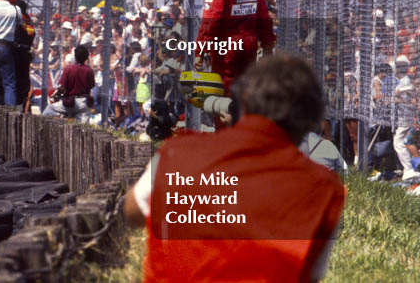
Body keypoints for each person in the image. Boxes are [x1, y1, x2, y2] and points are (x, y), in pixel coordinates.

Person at [124, 55, 345, 283]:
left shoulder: (178, 152)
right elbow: (309, 275)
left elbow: (133, 210)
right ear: (309, 122)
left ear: (241, 103)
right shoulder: (324, 188)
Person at [42, 45, 94, 123]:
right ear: (86, 58)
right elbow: (90, 87)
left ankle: (61, 124)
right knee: (83, 129)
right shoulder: (89, 71)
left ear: (75, 57)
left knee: (48, 111)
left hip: (70, 102)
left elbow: (62, 87)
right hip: (83, 102)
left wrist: (56, 95)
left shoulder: (69, 68)